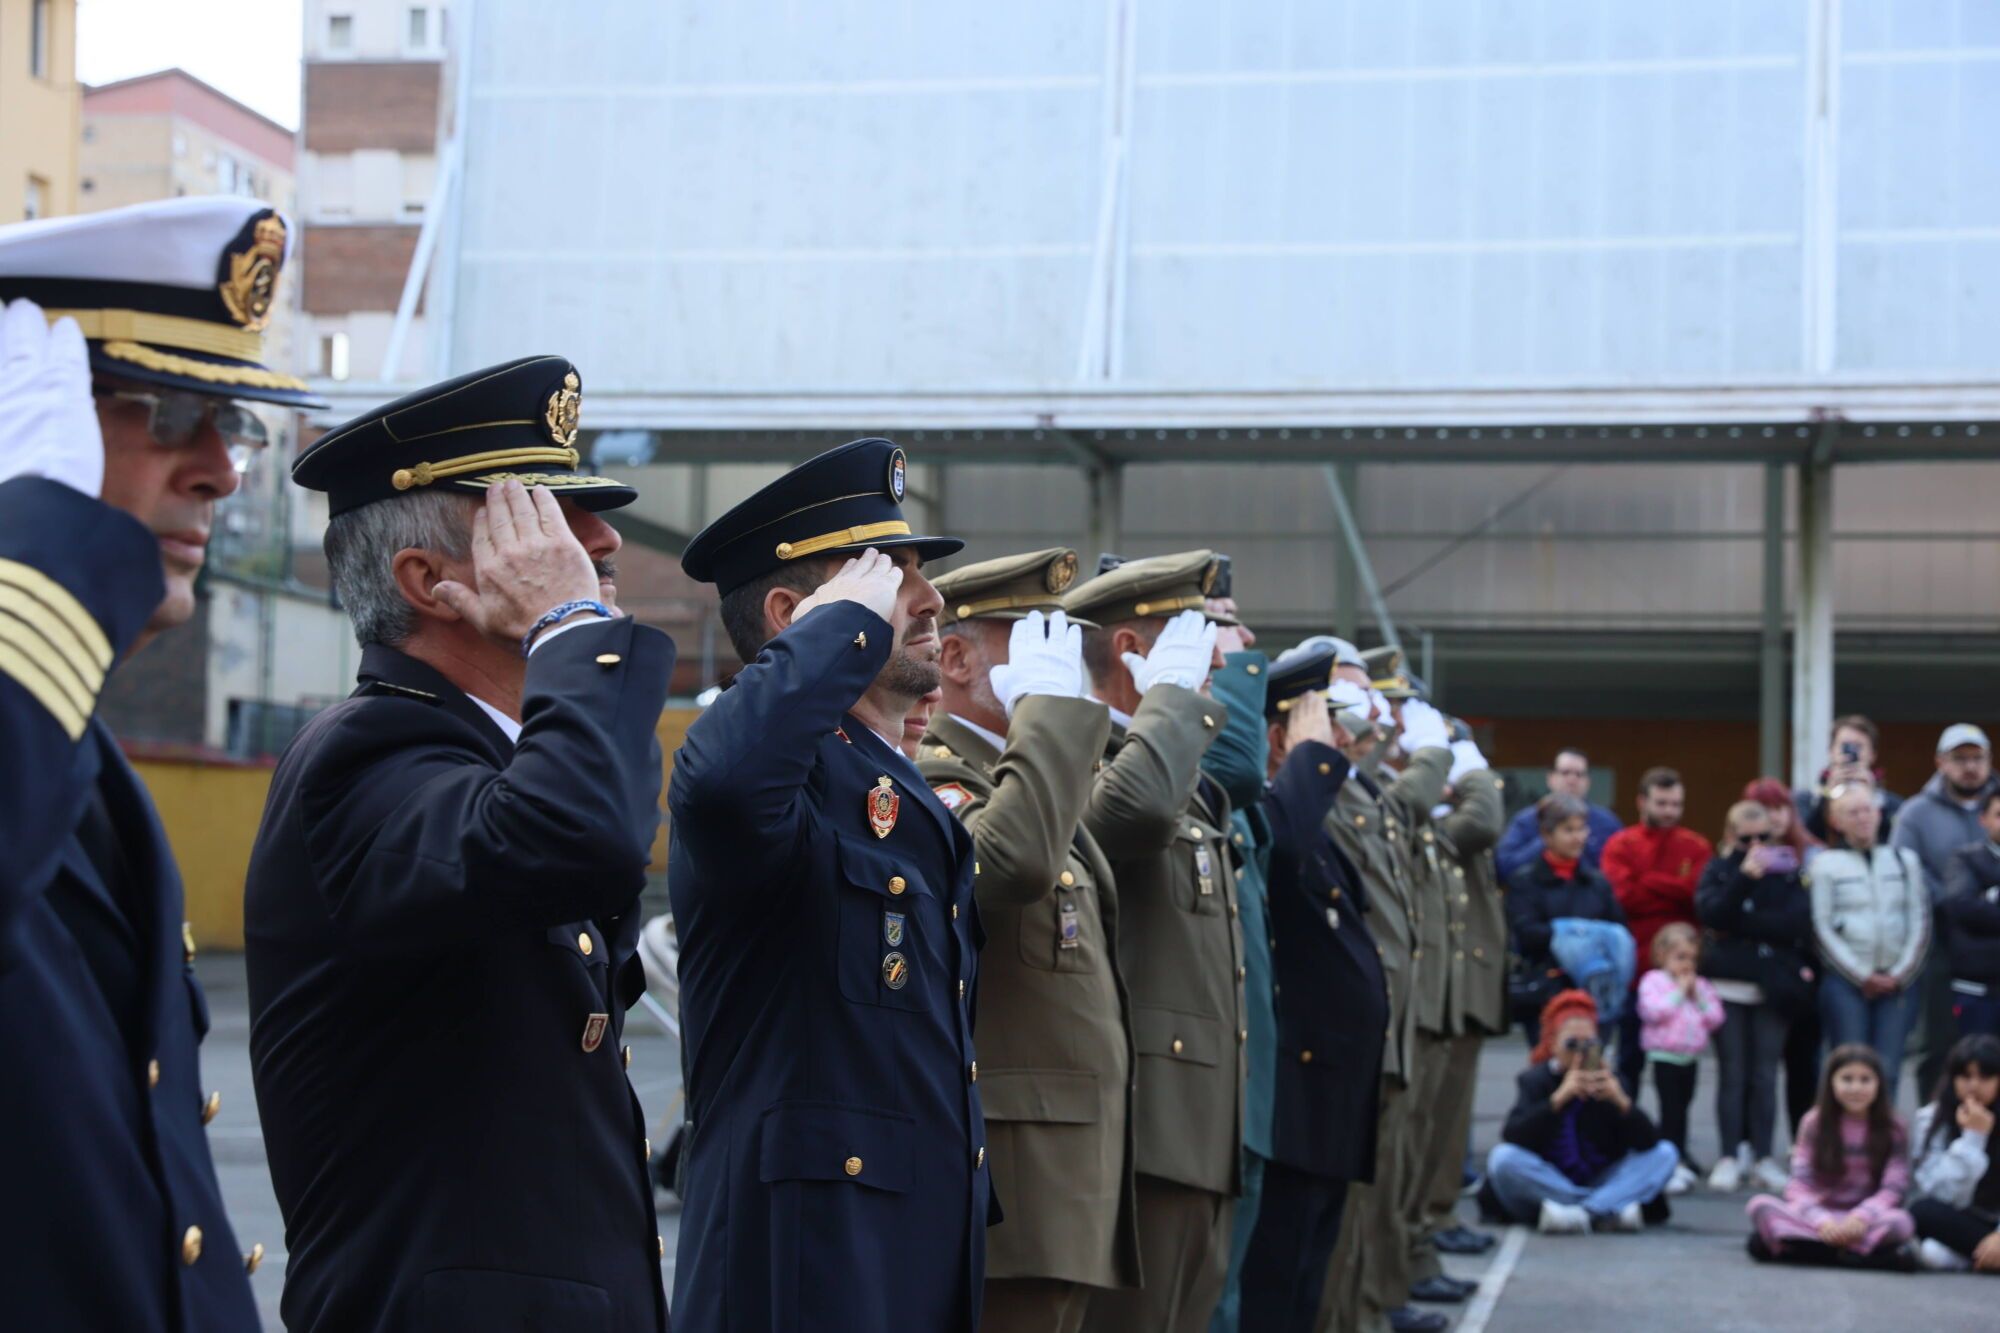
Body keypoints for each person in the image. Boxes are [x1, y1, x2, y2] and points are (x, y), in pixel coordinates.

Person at [245, 359, 673, 1331]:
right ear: (430, 581)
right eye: (540, 524)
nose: (597, 541)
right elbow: (583, 840)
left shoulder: (489, 753)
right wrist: (569, 625)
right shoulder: (369, 757)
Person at [0, 197, 326, 1331]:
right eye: (172, 409)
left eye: (226, 417)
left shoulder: (70, 746)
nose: (221, 472)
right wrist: (38, 542)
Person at [669, 438, 988, 1332]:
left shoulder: (885, 779)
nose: (928, 600)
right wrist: (840, 632)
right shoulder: (774, 766)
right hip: (802, 1268)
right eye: (886, 575)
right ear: (792, 615)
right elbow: (725, 783)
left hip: (905, 1247)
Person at [916, 549, 1138, 1333]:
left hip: (1072, 1165)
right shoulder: (941, 776)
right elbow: (1008, 862)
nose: (1057, 669)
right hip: (1019, 1171)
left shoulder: (1033, 770)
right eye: (1030, 641)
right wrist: (1048, 717)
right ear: (953, 658)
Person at [1061, 552, 1242, 1333]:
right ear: (1134, 651)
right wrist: (1169, 701)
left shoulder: (1172, 767)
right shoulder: (1087, 760)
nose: (1208, 681)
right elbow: (1127, 815)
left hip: (1194, 1130)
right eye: (1189, 655)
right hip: (1146, 1135)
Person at [1237, 655, 1386, 1333]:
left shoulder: (1306, 816)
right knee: (1275, 1285)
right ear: (1282, 740)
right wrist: (1308, 761)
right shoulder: (1274, 813)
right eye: (1329, 727)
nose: (1344, 742)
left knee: (1305, 1283)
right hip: (1295, 1099)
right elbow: (1281, 855)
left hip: (1328, 1097)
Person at [1317, 662, 1455, 1333]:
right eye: (1360, 697)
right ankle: (1358, 1314)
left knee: (1382, 1191)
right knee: (1354, 1205)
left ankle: (1372, 1308)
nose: (1379, 713)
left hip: (1396, 1019)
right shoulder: (1342, 792)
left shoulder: (1368, 788)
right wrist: (1430, 754)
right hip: (1361, 1029)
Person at [1200, 595, 1274, 1333]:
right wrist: (1231, 663)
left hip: (1239, 1075)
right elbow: (1235, 768)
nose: (1240, 644)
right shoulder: (1146, 764)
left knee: (1224, 1292)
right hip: (1188, 1095)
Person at [1410, 734, 1509, 1270]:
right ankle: (1424, 1232)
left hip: (1459, 985)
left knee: (1445, 1123)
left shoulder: (1434, 812)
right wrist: (1469, 771)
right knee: (1426, 1128)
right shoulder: (1420, 813)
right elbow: (1483, 821)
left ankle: (1437, 1220)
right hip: (1434, 990)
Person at [1484, 990, 1679, 1234]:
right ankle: (1605, 1210)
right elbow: (1513, 1136)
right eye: (1571, 1045)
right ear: (1553, 1044)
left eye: (1589, 1045)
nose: (1580, 1053)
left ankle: (1584, 1212)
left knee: (1666, 1153)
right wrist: (1557, 1100)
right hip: (1551, 1180)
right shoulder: (1536, 1079)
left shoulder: (1611, 1080)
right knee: (1503, 1158)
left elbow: (1648, 1142)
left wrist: (1621, 1102)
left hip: (1601, 1178)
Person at [1697, 799, 1817, 1195]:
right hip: (1728, 984)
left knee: (1765, 1074)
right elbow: (1712, 914)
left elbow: (1796, 923)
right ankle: (1731, 1154)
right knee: (1733, 1073)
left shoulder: (1787, 872)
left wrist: (1743, 924)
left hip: (1772, 987)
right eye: (1746, 838)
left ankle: (1764, 1156)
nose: (1755, 845)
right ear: (1730, 837)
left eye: (1763, 837)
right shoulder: (1720, 869)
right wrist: (1743, 881)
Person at [1746, 1044, 1916, 1269]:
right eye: (1847, 1079)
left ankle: (1811, 1250)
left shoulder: (1894, 1127)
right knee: (1759, 1205)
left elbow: (1894, 1188)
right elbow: (1798, 1185)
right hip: (1817, 1218)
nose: (1856, 1088)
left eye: (1865, 1080)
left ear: (1879, 1085)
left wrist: (1861, 1217)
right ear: (1831, 1083)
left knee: (1901, 1222)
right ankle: (1853, 1253)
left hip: (1866, 1221)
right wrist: (1822, 1221)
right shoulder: (1814, 1122)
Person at [1898, 726, 2000, 1094]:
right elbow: (1908, 868)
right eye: (1960, 759)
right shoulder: (1916, 813)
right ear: (1940, 762)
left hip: (1993, 945)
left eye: (1978, 758)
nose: (1970, 767)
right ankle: (1935, 1131)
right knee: (1940, 1045)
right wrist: (1960, 901)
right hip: (1940, 943)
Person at [1814, 785, 1931, 1102]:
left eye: (1868, 810)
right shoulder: (1825, 865)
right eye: (1853, 812)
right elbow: (1822, 927)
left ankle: (1882, 1145)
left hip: (1897, 981)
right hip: (1847, 983)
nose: (1863, 818)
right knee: (1848, 1067)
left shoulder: (1904, 861)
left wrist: (1901, 973)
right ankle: (1841, 1145)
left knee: (1888, 1068)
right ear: (1837, 821)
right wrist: (1861, 975)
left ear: (1880, 814)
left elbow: (1919, 920)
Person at [1601, 767, 1714, 1095]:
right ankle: (1623, 1137)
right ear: (1642, 802)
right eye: (1662, 803)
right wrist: (1674, 890)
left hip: (1682, 972)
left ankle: (1673, 1143)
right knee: (1629, 1061)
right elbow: (1622, 898)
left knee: (1679, 1069)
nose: (1669, 812)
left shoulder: (1695, 845)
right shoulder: (1621, 844)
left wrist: (1648, 880)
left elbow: (1698, 897)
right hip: (1633, 970)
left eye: (1676, 804)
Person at [1505, 793, 1626, 1046]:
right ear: (1547, 835)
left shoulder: (1597, 882)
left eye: (1582, 829)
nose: (1578, 837)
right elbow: (1527, 933)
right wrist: (1576, 934)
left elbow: (1617, 929)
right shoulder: (1525, 881)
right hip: (1545, 991)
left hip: (1592, 993)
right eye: (1568, 829)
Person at [1745, 775, 1828, 1138]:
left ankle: (1803, 1141)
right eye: (1764, 810)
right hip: (1756, 970)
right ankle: (1748, 1145)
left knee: (1803, 1062)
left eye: (1780, 808)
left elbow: (1809, 918)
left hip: (1803, 970)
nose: (1774, 817)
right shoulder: (1739, 856)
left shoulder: (1815, 855)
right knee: (1753, 1067)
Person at [1635, 923, 1725, 1185]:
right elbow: (1652, 1012)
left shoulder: (1701, 986)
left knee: (1684, 1107)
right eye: (1680, 957)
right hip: (1665, 1056)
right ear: (1662, 956)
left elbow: (1715, 1018)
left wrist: (1698, 997)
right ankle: (1668, 1156)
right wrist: (1678, 993)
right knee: (1670, 1108)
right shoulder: (1654, 982)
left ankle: (1680, 1151)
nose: (1687, 965)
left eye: (1692, 959)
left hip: (1690, 1056)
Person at [1909, 1034, 2000, 1272]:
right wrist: (1973, 1137)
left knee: (1935, 1254)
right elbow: (1940, 1194)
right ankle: (1986, 1257)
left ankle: (1984, 1256)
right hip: (1967, 1219)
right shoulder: (1931, 1119)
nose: (1974, 1086)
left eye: (1985, 1076)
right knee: (1922, 1213)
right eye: (1965, 1076)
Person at [1495, 749, 1621, 879]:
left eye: (1579, 774)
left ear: (1588, 781)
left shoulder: (1607, 823)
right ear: (1550, 778)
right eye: (1565, 773)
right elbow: (1504, 867)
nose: (1572, 780)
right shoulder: (1527, 820)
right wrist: (1548, 839)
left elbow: (1617, 875)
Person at [1941, 792, 2000, 1038]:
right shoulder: (1965, 858)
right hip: (1977, 990)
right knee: (1977, 1066)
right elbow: (1962, 907)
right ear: (1983, 819)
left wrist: (1990, 896)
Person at [1794, 714, 1904, 844]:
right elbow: (1806, 838)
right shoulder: (1807, 799)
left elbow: (1893, 840)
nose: (1851, 753)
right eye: (1845, 746)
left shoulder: (1892, 803)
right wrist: (1827, 797)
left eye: (1858, 746)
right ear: (1831, 751)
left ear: (1873, 754)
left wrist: (1873, 796)